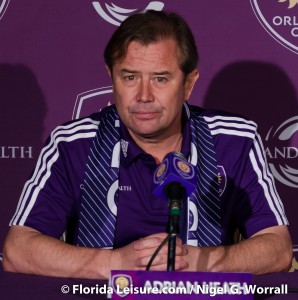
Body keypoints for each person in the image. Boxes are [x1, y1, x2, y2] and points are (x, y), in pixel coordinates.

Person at [3, 10, 292, 279]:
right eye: (130, 77)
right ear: (111, 77)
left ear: (189, 83)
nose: (143, 95)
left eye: (160, 79)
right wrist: (119, 264)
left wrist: (192, 261)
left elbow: (277, 250)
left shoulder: (235, 140)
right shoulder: (72, 144)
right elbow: (18, 251)